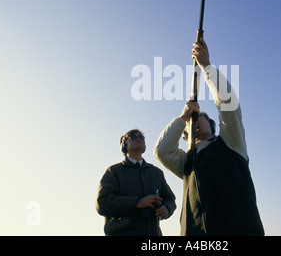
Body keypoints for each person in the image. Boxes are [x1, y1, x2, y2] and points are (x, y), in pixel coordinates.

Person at [154, 38, 265, 236]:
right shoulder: (186, 162)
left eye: (201, 118)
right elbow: (162, 151)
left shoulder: (231, 143)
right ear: (185, 133)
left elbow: (230, 107)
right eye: (192, 122)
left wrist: (207, 67)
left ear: (212, 125)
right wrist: (183, 117)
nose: (196, 121)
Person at [96, 129, 176, 236]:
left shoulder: (156, 173)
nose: (138, 139)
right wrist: (137, 203)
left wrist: (167, 208)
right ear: (124, 145)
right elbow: (102, 203)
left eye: (141, 137)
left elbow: (170, 198)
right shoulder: (113, 172)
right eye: (133, 137)